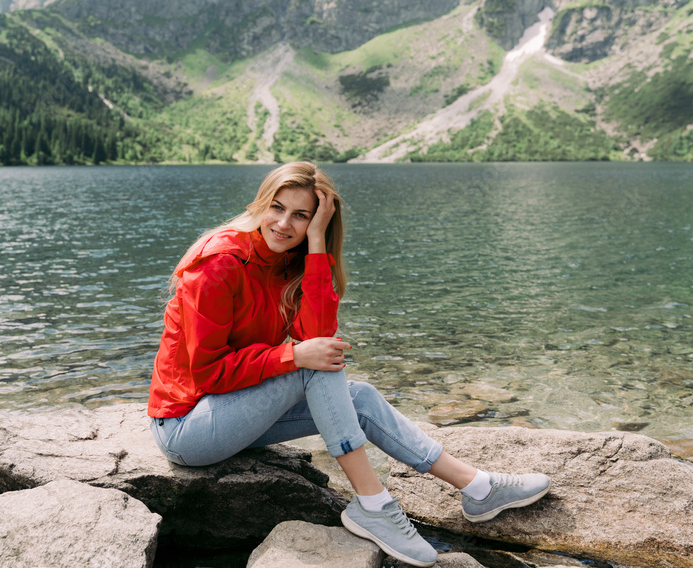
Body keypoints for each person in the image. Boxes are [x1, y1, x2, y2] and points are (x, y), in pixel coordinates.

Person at [148, 161, 550, 567]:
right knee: (311, 363)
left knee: (358, 394)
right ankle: (374, 503)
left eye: (301, 215)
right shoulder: (219, 263)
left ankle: (477, 488)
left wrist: (318, 242)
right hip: (186, 427)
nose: (284, 223)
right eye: (277, 207)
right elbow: (207, 372)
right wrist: (294, 355)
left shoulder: (288, 261)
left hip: (230, 412)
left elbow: (317, 332)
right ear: (260, 204)